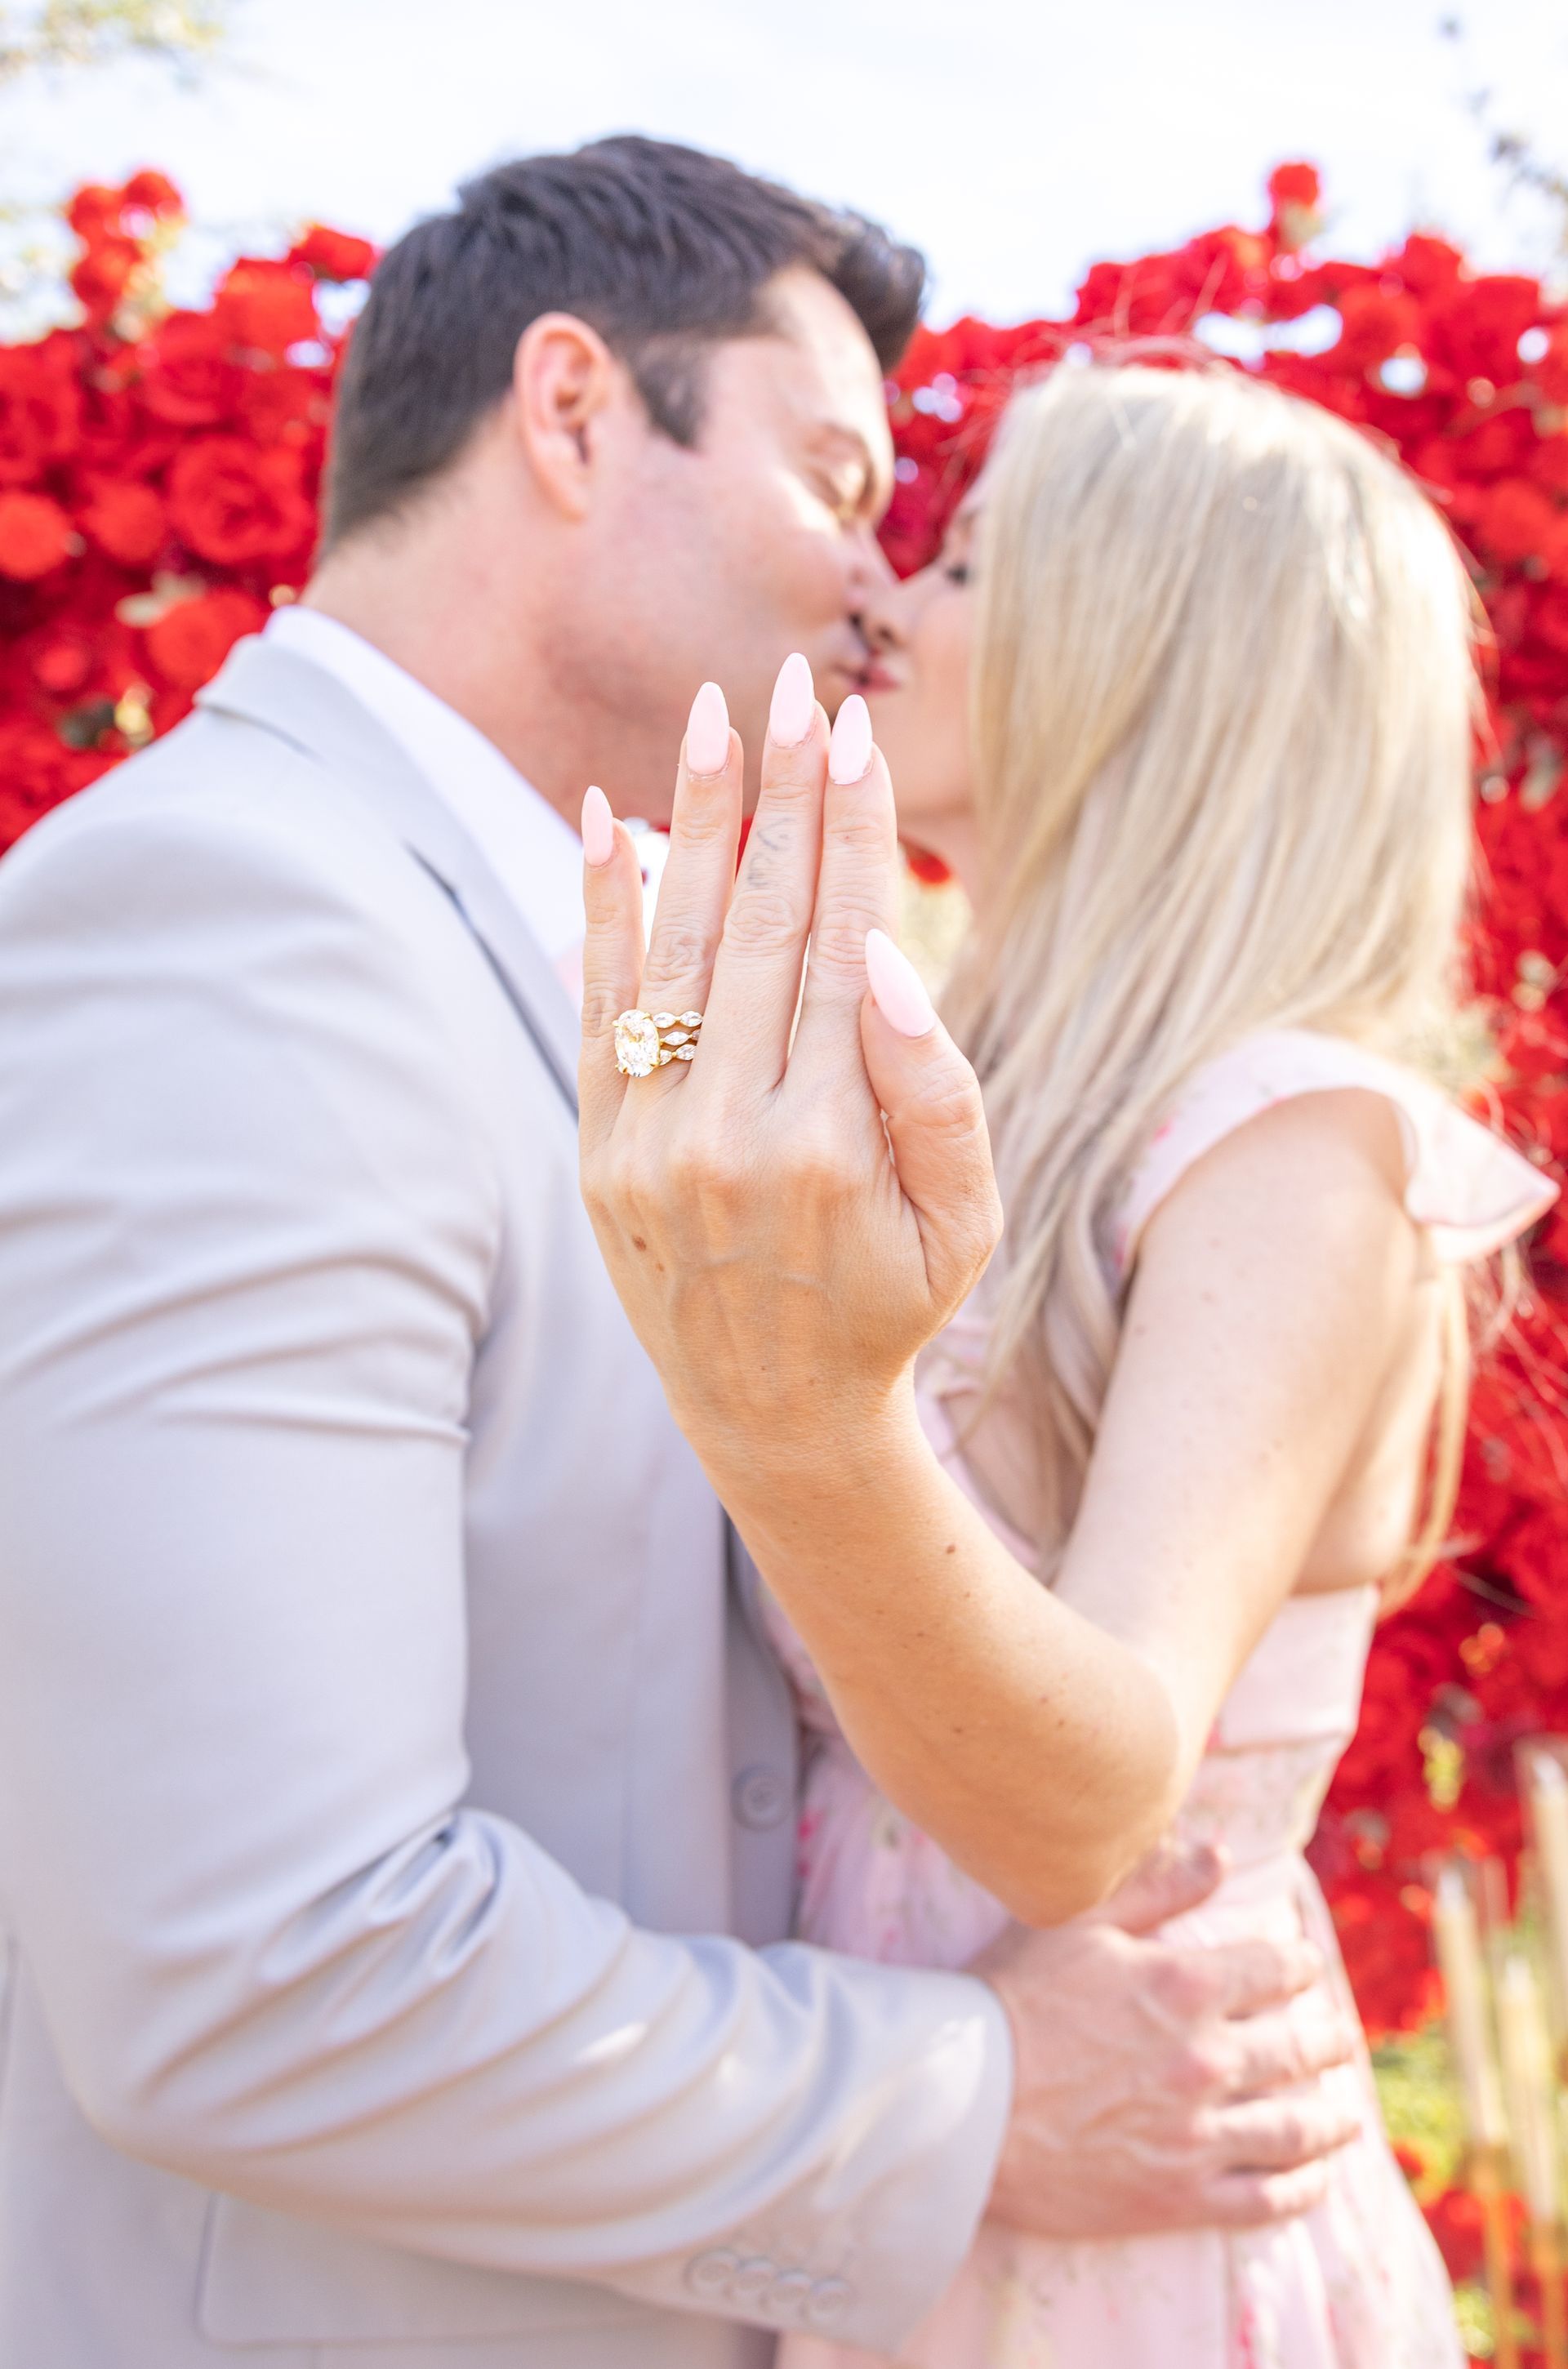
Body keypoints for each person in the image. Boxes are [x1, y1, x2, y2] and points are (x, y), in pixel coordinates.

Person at [0, 150, 1352, 2369]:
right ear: (570, 409)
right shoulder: (229, 921)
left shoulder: (595, 969)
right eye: (838, 473)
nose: (874, 576)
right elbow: (256, 1962)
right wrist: (986, 2092)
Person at [576, 363, 1561, 2367]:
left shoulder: (1297, 1143)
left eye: (961, 560)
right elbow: (633, 1127)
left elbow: (1079, 1806)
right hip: (923, 2163)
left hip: (1128, 2238)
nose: (887, 604)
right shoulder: (964, 1077)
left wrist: (807, 1410)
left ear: (1134, 659)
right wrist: (645, 1025)